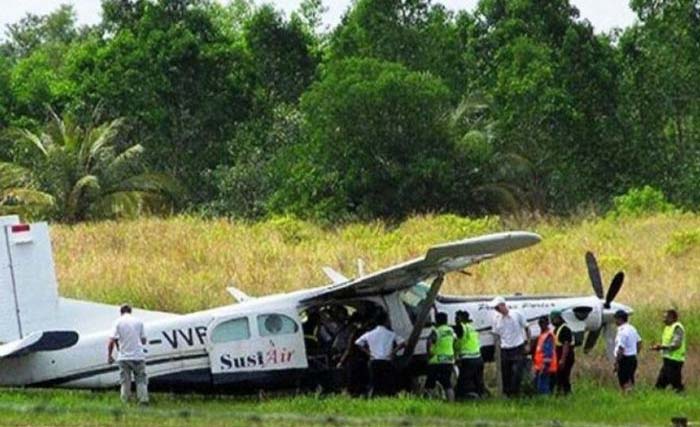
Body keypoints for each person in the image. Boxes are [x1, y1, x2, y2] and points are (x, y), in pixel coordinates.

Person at [354, 311, 405, 397]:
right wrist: (393, 353)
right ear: (385, 321)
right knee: (388, 383)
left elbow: (357, 342)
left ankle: (371, 398)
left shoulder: (370, 333)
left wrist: (368, 353)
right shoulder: (390, 334)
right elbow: (403, 343)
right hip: (386, 361)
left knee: (373, 383)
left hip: (374, 361)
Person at [107, 304, 148, 404]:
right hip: (138, 356)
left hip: (124, 357)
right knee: (141, 379)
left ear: (121, 312)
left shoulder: (117, 322)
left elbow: (111, 341)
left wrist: (109, 356)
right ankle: (143, 400)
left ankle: (125, 401)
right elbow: (143, 340)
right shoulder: (139, 321)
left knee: (125, 381)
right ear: (131, 311)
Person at [491, 296, 530, 397]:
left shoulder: (517, 314)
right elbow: (496, 335)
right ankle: (507, 394)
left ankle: (515, 393)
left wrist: (528, 343)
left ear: (503, 305)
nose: (496, 310)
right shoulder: (496, 319)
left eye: (497, 307)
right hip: (505, 349)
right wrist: (497, 350)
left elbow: (527, 328)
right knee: (506, 373)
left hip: (518, 346)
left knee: (517, 373)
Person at [454, 310, 487, 399]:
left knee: (462, 382)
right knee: (478, 381)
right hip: (478, 358)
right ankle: (482, 398)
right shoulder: (472, 328)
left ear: (460, 319)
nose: (455, 320)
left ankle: (458, 401)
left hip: (468, 359)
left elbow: (457, 337)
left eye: (456, 318)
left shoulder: (461, 327)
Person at [651, 309, 686, 393]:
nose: (663, 320)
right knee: (660, 383)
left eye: (665, 317)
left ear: (672, 318)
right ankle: (657, 396)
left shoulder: (677, 327)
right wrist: (659, 347)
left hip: (675, 361)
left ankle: (682, 398)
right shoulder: (668, 328)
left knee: (676, 384)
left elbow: (676, 344)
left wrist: (661, 347)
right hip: (668, 360)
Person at [426, 312, 456, 401]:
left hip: (437, 360)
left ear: (437, 321)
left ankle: (429, 402)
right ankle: (451, 402)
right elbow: (454, 341)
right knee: (447, 383)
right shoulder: (451, 331)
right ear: (446, 320)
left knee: (430, 383)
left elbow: (429, 342)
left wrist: (429, 353)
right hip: (449, 359)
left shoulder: (436, 331)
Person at [613, 310, 641, 393]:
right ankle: (631, 398)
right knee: (630, 379)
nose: (615, 321)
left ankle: (626, 397)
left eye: (616, 319)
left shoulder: (622, 332)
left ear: (620, 319)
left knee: (623, 381)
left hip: (624, 359)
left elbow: (620, 349)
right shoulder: (632, 328)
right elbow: (639, 342)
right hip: (632, 358)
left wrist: (617, 362)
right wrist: (635, 352)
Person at [550, 309, 575, 395]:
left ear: (559, 318)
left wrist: (562, 359)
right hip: (559, 356)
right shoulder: (557, 329)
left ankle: (566, 393)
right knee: (559, 376)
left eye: (553, 319)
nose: (552, 321)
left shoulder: (565, 329)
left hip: (566, 357)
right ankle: (561, 392)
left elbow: (566, 344)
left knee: (564, 376)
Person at [533, 316, 557, 394]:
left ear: (547, 323)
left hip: (546, 367)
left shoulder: (548, 336)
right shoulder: (541, 335)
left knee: (543, 388)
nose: (541, 325)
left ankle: (546, 403)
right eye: (540, 323)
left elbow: (548, 352)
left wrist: (545, 366)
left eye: (543, 323)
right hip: (539, 366)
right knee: (539, 386)